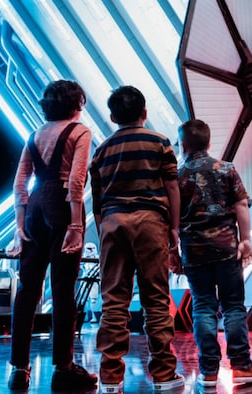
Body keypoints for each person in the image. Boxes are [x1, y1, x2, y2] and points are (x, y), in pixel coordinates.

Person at [89, 85, 184, 393]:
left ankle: (111, 379)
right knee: (155, 299)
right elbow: (172, 189)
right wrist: (173, 229)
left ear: (113, 116)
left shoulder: (101, 150)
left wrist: (106, 228)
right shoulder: (160, 143)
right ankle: (164, 376)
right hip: (150, 222)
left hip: (113, 222)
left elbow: (97, 200)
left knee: (113, 301)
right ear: (145, 113)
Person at [6, 79, 97, 391]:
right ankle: (63, 367)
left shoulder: (34, 135)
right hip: (62, 207)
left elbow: (20, 184)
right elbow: (76, 179)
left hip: (33, 208)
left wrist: (19, 228)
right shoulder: (80, 131)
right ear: (77, 104)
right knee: (63, 289)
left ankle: (19, 368)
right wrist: (74, 225)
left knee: (27, 290)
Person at [173, 119, 252, 388]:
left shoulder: (178, 177)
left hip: (194, 252)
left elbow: (173, 219)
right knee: (233, 307)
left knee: (203, 307)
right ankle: (241, 367)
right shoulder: (225, 169)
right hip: (227, 250)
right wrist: (246, 240)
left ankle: (209, 372)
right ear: (209, 142)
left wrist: (173, 251)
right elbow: (240, 205)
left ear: (183, 145)